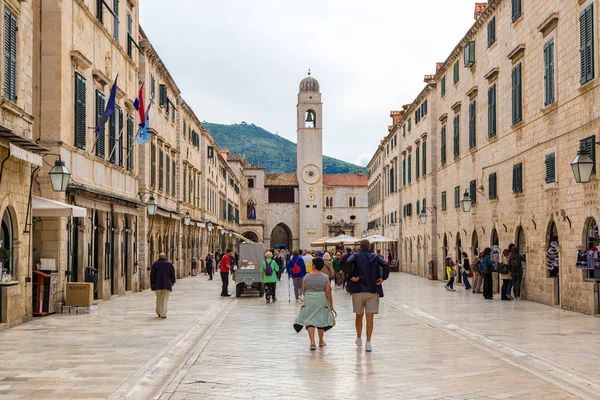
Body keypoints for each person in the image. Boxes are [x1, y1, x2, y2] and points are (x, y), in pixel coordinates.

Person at [345, 239, 390, 352]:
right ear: (369, 247)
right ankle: (368, 342)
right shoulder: (376, 257)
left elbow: (347, 263)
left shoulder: (355, 256)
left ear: (360, 247)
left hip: (358, 289)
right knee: (370, 317)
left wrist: (351, 276)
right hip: (372, 289)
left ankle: (359, 337)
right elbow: (385, 264)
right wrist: (383, 278)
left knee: (359, 315)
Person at [293, 257, 335, 350]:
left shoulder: (307, 277)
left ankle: (312, 342)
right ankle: (321, 341)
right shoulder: (325, 277)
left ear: (314, 266)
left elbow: (303, 290)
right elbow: (328, 291)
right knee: (320, 320)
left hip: (309, 299)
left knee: (310, 320)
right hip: (321, 299)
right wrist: (331, 304)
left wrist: (308, 296)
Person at [150, 252, 176, 319]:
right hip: (166, 284)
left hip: (157, 284)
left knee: (158, 299)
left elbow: (152, 275)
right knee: (165, 299)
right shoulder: (169, 264)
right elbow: (172, 274)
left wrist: (152, 283)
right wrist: (173, 282)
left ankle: (158, 312)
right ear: (165, 257)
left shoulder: (155, 264)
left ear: (159, 257)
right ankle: (163, 313)